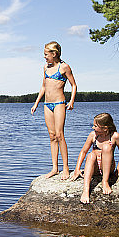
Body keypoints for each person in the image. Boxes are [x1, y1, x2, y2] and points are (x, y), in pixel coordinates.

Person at [31, 41, 77, 179]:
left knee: (59, 135)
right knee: (52, 136)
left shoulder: (64, 67)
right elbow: (43, 87)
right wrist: (36, 103)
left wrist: (71, 101)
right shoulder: (46, 67)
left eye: (46, 54)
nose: (44, 57)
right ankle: (55, 168)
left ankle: (66, 168)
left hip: (59, 103)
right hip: (47, 104)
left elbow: (74, 85)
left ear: (54, 54)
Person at [70, 113, 119, 204]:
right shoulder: (93, 135)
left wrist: (118, 171)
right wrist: (77, 169)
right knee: (91, 155)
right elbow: (83, 152)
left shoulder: (115, 136)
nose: (93, 127)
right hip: (95, 168)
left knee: (106, 147)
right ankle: (85, 190)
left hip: (107, 168)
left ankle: (105, 182)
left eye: (95, 126)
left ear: (105, 128)